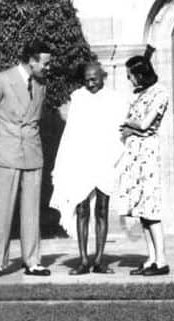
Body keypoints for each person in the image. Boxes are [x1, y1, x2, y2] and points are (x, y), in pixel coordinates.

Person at [0, 40, 52, 278]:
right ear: (31, 61)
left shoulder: (41, 85)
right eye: (45, 63)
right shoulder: (0, 79)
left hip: (32, 153)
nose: (48, 67)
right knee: (2, 209)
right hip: (4, 153)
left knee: (32, 211)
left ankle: (33, 261)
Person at [50, 61, 126, 275]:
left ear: (103, 76)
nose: (90, 83)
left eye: (94, 79)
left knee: (102, 209)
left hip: (105, 159)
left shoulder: (115, 99)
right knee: (82, 209)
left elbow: (119, 127)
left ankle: (100, 260)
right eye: (87, 80)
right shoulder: (78, 98)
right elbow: (71, 132)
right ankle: (83, 260)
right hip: (82, 159)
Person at [118, 46, 170, 276]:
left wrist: (130, 126)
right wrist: (130, 126)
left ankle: (162, 260)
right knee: (142, 211)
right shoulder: (140, 94)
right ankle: (151, 258)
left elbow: (146, 123)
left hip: (147, 154)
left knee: (151, 209)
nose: (129, 80)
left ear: (139, 73)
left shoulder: (160, 93)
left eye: (130, 75)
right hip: (135, 156)